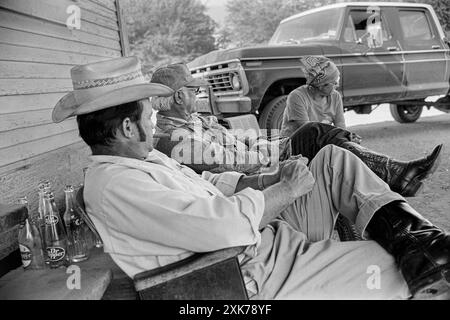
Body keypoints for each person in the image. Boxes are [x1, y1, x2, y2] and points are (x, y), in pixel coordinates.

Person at [52, 56, 450, 300]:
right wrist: (284, 186)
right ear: (125, 127)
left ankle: (423, 238)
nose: (153, 116)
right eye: (146, 112)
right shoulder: (117, 184)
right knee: (401, 269)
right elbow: (222, 227)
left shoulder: (142, 160)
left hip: (266, 238)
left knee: (329, 158)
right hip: (246, 274)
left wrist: (269, 178)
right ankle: (424, 252)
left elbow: (216, 185)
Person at [151, 63, 442, 197]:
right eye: (194, 90)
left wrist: (273, 141)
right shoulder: (175, 139)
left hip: (262, 159)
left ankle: (397, 176)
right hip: (256, 176)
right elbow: (231, 164)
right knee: (317, 133)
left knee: (328, 139)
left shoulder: (196, 122)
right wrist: (278, 150)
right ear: (178, 96)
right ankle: (397, 175)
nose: (198, 94)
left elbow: (240, 141)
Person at [280, 55, 346, 137]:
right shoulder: (297, 97)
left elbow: (340, 124)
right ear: (321, 85)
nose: (338, 85)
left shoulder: (335, 96)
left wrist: (345, 138)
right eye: (334, 83)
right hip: (296, 143)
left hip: (320, 141)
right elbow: (308, 131)